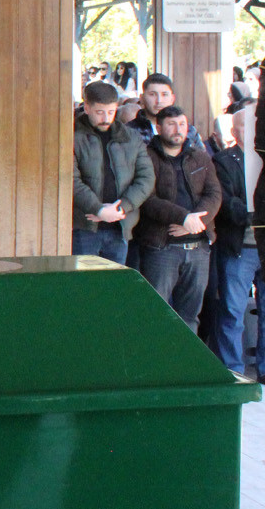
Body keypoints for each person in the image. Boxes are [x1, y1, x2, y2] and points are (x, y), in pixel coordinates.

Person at [135, 105, 221, 331]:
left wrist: (194, 223)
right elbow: (147, 198)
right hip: (161, 247)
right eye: (171, 124)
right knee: (155, 314)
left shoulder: (200, 157)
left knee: (190, 317)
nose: (178, 129)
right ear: (159, 127)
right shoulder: (146, 157)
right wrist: (184, 218)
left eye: (182, 124)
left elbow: (214, 194)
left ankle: (185, 356)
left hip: (198, 247)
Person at [73, 80, 153, 265]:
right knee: (84, 280)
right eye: (100, 112)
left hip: (120, 224)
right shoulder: (73, 137)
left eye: (111, 112)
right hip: (84, 226)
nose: (106, 118)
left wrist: (121, 207)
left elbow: (146, 178)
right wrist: (98, 209)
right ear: (87, 108)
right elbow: (71, 180)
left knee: (115, 280)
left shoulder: (130, 137)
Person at [208, 108, 257, 372]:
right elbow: (228, 205)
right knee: (232, 312)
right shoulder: (223, 161)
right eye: (246, 126)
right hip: (239, 248)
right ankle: (232, 372)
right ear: (234, 131)